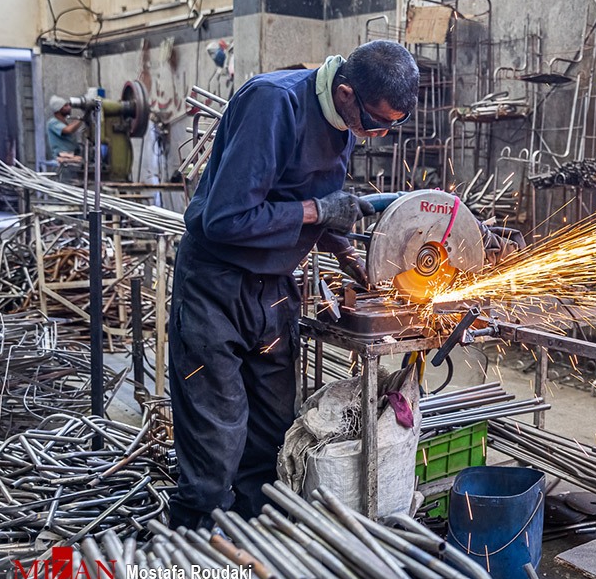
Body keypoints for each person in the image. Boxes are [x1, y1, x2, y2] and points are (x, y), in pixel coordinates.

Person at [167, 40, 419, 530]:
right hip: (216, 287)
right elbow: (225, 218)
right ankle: (192, 556)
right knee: (217, 442)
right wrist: (318, 211)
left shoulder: (344, 124)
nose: (377, 134)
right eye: (375, 122)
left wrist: (341, 246)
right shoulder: (272, 103)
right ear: (346, 93)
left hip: (274, 290)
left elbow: (305, 203)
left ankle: (254, 551)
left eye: (391, 125)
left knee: (271, 436)